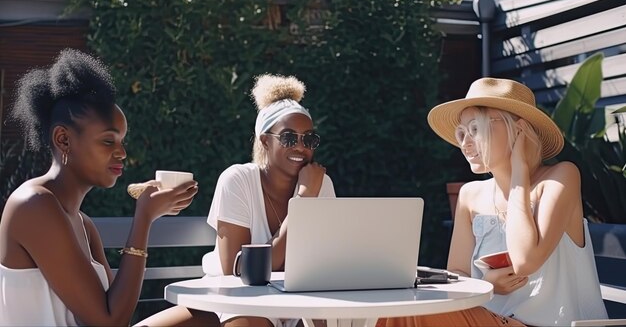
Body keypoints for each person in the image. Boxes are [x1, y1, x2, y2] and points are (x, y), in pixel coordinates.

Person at [0, 49, 219, 327]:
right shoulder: (33, 205)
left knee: (203, 319)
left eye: (122, 141)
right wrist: (143, 219)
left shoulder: (83, 224)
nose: (122, 153)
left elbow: (119, 312)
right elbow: (110, 323)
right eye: (108, 141)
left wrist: (148, 216)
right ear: (63, 139)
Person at [377, 77, 608, 326]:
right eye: (461, 132)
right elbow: (457, 276)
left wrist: (519, 172)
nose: (465, 143)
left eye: (476, 129)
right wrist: (487, 285)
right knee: (398, 309)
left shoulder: (560, 177)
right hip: (490, 318)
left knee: (411, 314)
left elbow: (525, 261)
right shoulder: (470, 195)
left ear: (517, 130)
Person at [202, 74, 335, 327]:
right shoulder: (237, 180)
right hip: (246, 301)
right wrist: (304, 199)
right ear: (264, 140)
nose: (300, 147)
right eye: (288, 137)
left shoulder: (322, 184)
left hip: (302, 300)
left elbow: (324, 262)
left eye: (309, 139)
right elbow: (239, 271)